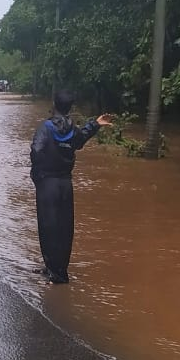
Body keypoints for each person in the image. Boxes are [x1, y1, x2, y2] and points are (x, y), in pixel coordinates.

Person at [30, 90, 112, 284]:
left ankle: (54, 272)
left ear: (54, 105)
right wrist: (96, 124)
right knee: (65, 227)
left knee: (48, 226)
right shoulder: (72, 129)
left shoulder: (45, 127)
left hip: (47, 183)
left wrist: (37, 172)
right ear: (70, 108)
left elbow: (36, 150)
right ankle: (58, 269)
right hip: (66, 183)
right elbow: (80, 139)